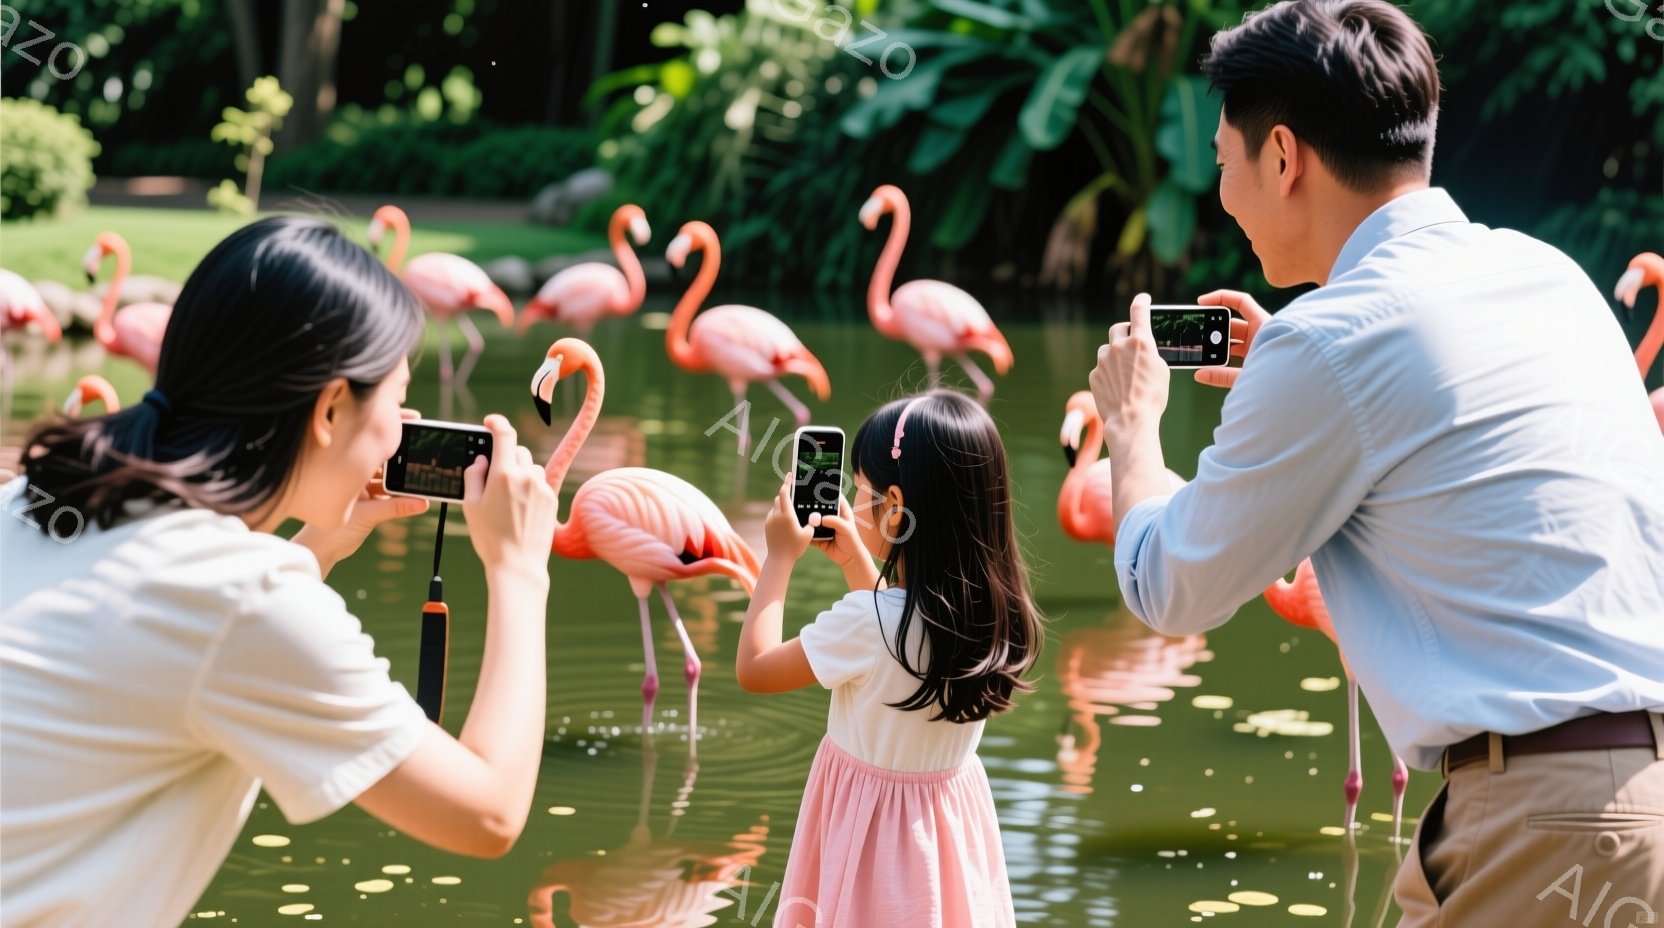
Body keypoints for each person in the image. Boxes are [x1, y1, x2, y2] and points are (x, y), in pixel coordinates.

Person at [1088, 1, 1664, 923]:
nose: (1224, 194)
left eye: (1224, 162)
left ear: (1283, 157)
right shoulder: (1548, 273)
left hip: (1548, 823)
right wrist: (1305, 368)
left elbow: (1170, 586)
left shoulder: (1335, 342)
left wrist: (1132, 428)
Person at [0, 217, 559, 928]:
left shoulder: (38, 493)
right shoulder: (240, 597)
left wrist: (322, 541)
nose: (399, 430)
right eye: (394, 401)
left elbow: (175, 633)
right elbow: (487, 814)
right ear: (330, 409)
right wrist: (518, 571)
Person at [733, 390, 1042, 928]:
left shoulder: (866, 624)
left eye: (861, 493)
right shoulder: (994, 618)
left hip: (870, 837)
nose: (853, 506)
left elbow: (755, 669)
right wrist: (857, 560)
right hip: (944, 840)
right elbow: (894, 648)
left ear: (895, 508)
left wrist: (778, 556)